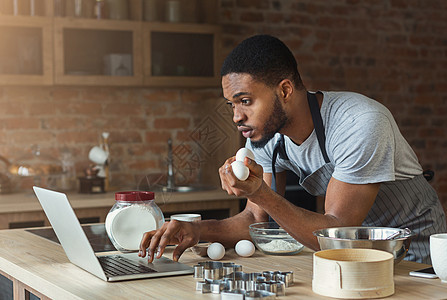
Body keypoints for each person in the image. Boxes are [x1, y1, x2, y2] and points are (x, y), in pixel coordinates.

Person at [139, 34, 447, 264]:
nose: (236, 117)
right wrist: (196, 230)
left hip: (415, 258)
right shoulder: (264, 135)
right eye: (232, 104)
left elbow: (336, 234)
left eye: (245, 101)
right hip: (353, 259)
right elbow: (254, 222)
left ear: (285, 90)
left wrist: (259, 191)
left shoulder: (360, 122)